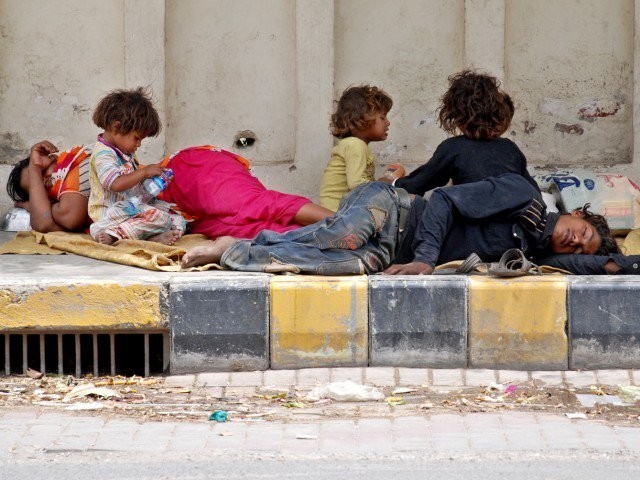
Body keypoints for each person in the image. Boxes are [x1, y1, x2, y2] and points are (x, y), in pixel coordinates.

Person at [181, 174, 637, 276]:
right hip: (390, 208)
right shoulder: (523, 195)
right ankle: (242, 241)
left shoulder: (534, 255)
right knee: (343, 235)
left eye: (579, 248)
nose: (576, 242)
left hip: (389, 253)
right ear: (577, 213)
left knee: (345, 266)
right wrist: (424, 259)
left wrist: (616, 261)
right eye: (584, 232)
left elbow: (605, 267)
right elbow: (442, 199)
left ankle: (233, 251)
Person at [7, 142, 333, 239]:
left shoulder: (80, 158)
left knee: (259, 206)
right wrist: (36, 176)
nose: (48, 182)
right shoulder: (57, 187)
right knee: (255, 229)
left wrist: (35, 170)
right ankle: (342, 240)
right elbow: (46, 223)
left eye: (46, 173)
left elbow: (66, 215)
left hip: (188, 172)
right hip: (184, 210)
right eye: (40, 187)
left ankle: (345, 224)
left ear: (53, 160)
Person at [382, 70, 539, 194]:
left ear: (456, 117)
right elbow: (532, 190)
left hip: (470, 226)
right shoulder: (509, 148)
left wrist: (393, 183)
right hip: (512, 228)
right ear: (496, 113)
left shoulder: (453, 148)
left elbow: (423, 180)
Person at [88, 87, 186, 245]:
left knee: (177, 219)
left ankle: (147, 236)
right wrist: (144, 172)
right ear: (116, 127)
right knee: (158, 218)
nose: (139, 144)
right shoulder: (103, 154)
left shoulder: (125, 152)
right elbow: (116, 183)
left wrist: (152, 182)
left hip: (132, 208)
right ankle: (111, 233)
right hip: (112, 213)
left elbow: (132, 184)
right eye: (137, 138)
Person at [319, 85, 394, 211]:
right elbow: (357, 185)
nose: (388, 122)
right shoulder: (356, 145)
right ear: (361, 119)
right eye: (382, 117)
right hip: (339, 215)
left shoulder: (353, 144)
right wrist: (383, 185)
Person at [6, 141, 92, 232]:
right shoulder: (72, 203)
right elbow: (44, 225)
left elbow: (69, 217)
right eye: (39, 186)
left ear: (53, 158)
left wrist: (35, 168)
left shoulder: (76, 163)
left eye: (42, 171)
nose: (45, 182)